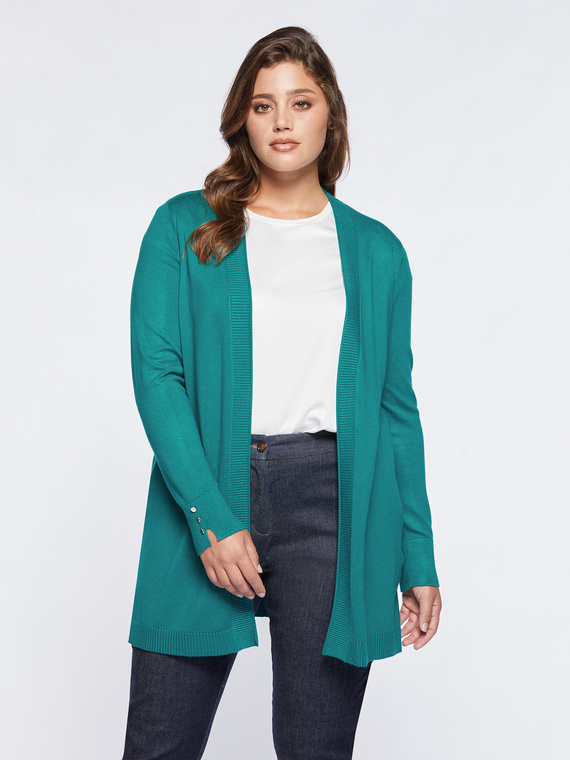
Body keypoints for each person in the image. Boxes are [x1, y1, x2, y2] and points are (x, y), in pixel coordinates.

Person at [120, 25, 442, 760]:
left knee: (315, 749)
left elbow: (396, 410)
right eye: (263, 105)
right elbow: (157, 375)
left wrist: (417, 557)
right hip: (204, 486)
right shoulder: (184, 226)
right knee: (158, 745)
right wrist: (210, 517)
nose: (282, 122)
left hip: (333, 506)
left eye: (301, 102)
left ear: (331, 114)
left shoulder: (376, 251)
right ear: (243, 118)